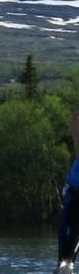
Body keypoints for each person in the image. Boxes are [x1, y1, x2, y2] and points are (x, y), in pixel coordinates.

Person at [58, 110, 79, 262]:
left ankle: (69, 259)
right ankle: (63, 261)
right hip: (72, 194)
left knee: (75, 230)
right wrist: (74, 119)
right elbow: (76, 138)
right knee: (63, 227)